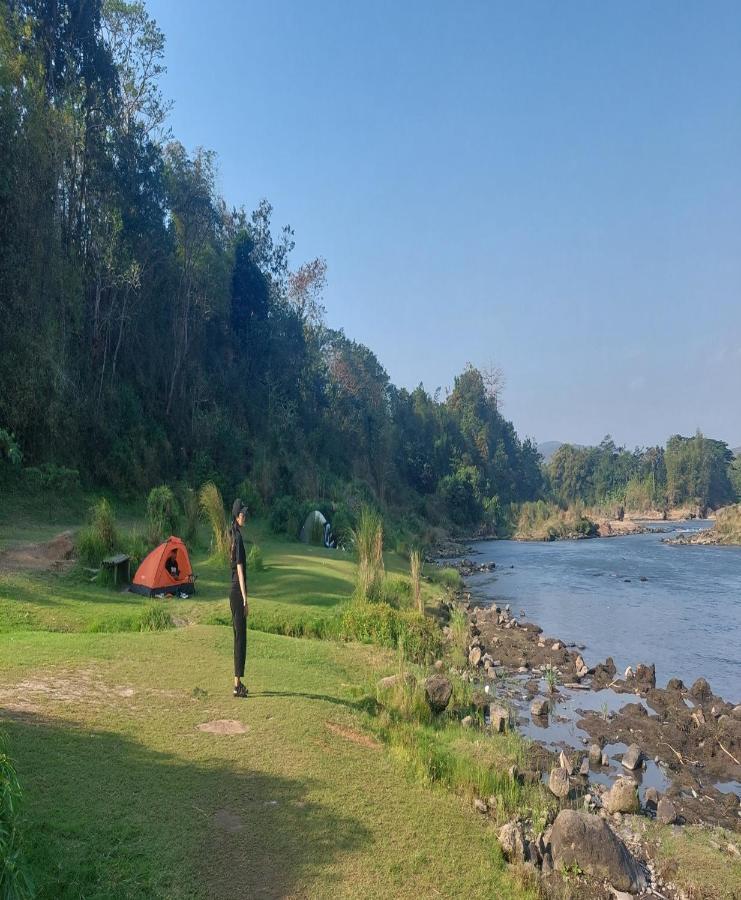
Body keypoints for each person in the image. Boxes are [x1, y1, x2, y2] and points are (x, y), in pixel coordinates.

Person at [229, 499, 249, 698]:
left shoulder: (232, 534)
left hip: (232, 592)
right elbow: (240, 569)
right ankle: (237, 686)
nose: (245, 517)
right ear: (236, 516)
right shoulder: (239, 538)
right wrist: (245, 599)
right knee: (240, 640)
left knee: (238, 638)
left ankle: (238, 683)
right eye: (242, 514)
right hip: (237, 592)